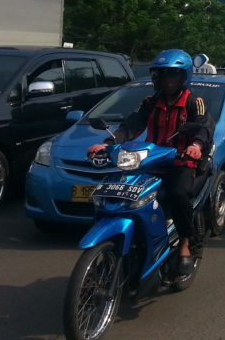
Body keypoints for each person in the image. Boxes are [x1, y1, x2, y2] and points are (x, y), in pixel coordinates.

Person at [87, 49, 213, 274]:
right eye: (163, 75)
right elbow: (131, 126)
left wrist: (195, 146)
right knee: (122, 190)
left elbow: (203, 127)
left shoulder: (195, 102)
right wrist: (108, 144)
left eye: (172, 75)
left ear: (184, 76)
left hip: (181, 163)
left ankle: (185, 242)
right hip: (152, 162)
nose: (167, 80)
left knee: (177, 194)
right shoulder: (150, 102)